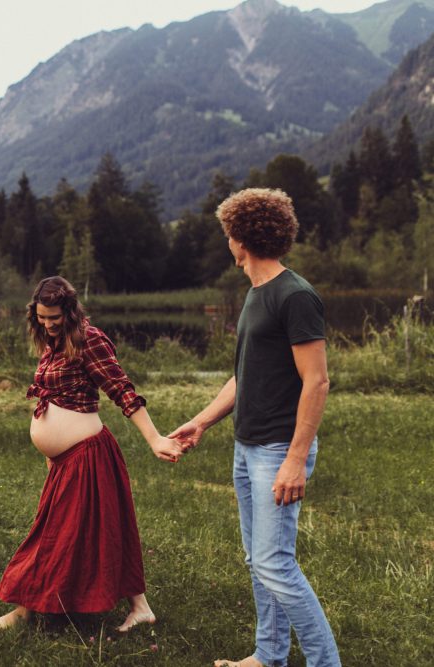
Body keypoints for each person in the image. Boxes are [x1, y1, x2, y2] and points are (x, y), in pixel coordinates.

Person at [169, 188, 340, 667]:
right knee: (258, 562)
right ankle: (268, 658)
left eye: (228, 232)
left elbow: (317, 381)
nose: (227, 241)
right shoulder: (257, 294)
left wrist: (294, 460)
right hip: (248, 449)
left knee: (275, 564)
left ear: (240, 238)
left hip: (278, 451)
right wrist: (201, 422)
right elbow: (246, 374)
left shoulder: (295, 295)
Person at [0, 276, 183, 632]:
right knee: (96, 531)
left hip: (87, 455)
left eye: (54, 318)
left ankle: (24, 612)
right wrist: (52, 452)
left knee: (54, 535)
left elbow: (121, 389)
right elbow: (57, 396)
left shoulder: (88, 339)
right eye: (42, 317)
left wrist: (155, 438)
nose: (47, 324)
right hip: (66, 459)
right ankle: (139, 607)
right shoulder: (53, 341)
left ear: (70, 311)